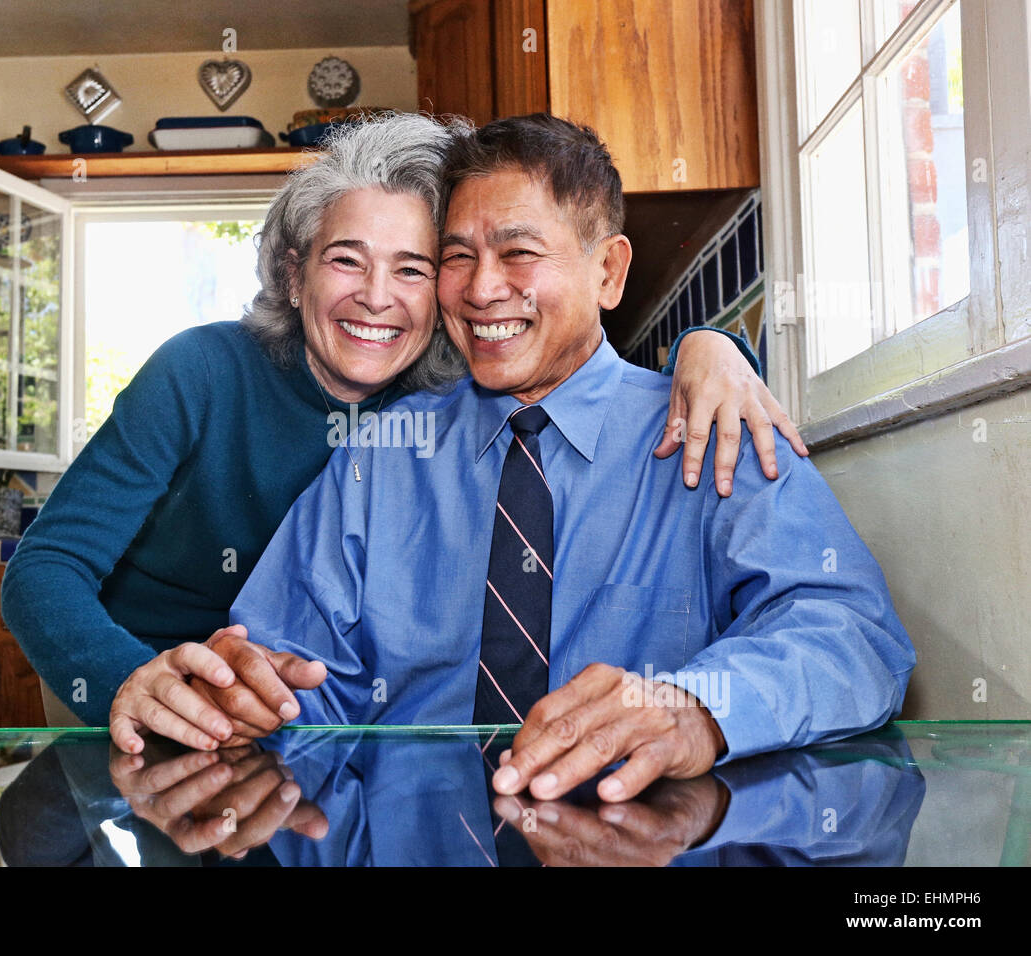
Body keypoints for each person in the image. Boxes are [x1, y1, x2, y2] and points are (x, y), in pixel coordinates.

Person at [0, 112, 805, 754]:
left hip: (279, 714)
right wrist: (124, 680)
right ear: (294, 272)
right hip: (128, 669)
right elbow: (46, 569)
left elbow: (586, 369)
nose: (377, 297)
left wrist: (716, 348)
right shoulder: (201, 372)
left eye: (415, 267)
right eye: (347, 260)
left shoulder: (453, 391)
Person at [220, 114, 915, 804]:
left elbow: (852, 636)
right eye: (457, 256)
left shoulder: (712, 425)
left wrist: (695, 707)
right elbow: (286, 680)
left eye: (518, 252)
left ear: (608, 271)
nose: (482, 288)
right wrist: (234, 696)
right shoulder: (378, 458)